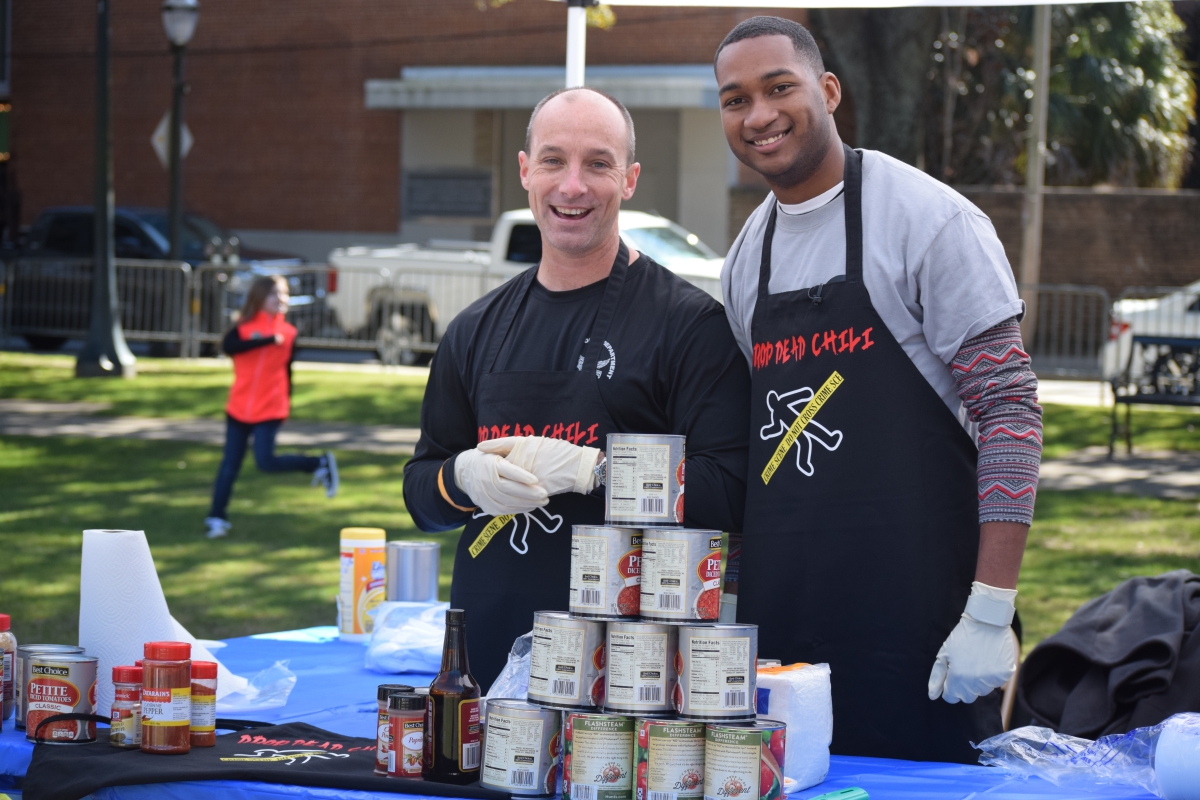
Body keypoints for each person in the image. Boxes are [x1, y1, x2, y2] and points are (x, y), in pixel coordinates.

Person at [715, 17, 1043, 763]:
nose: (758, 115)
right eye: (735, 100)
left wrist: (991, 609)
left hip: (921, 629)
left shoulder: (930, 221)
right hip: (787, 638)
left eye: (778, 87)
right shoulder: (743, 263)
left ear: (828, 91)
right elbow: (750, 443)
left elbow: (1010, 411)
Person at [403, 87, 751, 688]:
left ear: (631, 178)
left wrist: (598, 469)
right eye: (553, 161)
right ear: (524, 171)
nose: (572, 186)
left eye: (598, 163)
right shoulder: (474, 330)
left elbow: (732, 492)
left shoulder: (690, 326)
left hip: (629, 674)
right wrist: (461, 476)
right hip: (487, 665)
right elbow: (421, 494)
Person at [204, 275, 338, 539]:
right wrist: (266, 341)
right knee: (230, 465)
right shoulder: (243, 328)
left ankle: (318, 463)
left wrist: (286, 403)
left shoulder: (289, 333)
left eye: (285, 294)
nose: (282, 299)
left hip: (270, 408)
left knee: (265, 461)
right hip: (239, 408)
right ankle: (216, 518)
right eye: (275, 295)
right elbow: (229, 347)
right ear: (259, 298)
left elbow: (287, 371)